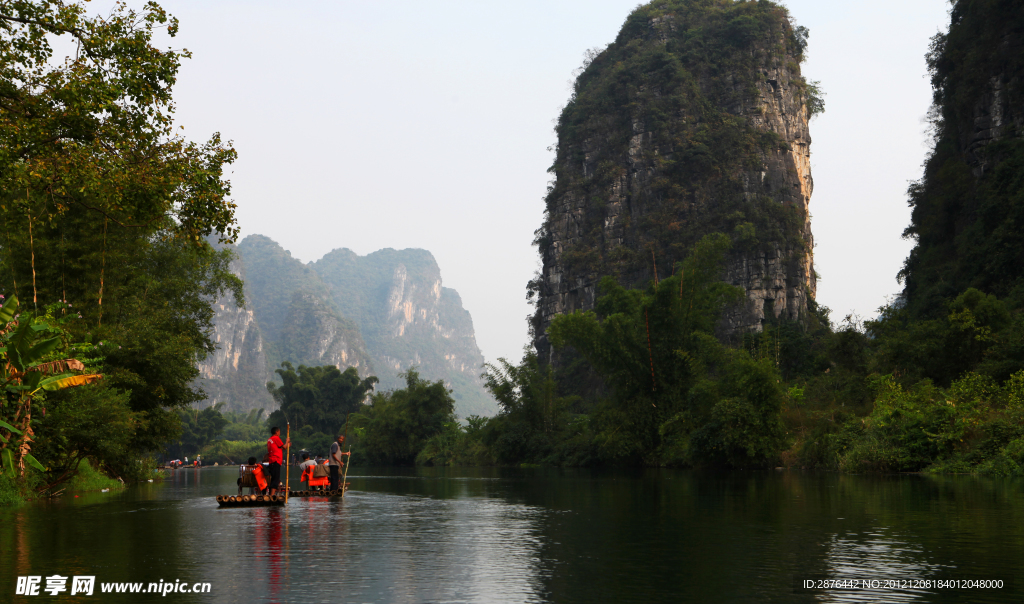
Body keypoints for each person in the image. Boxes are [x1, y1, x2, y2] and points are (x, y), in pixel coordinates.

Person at [266, 426, 291, 496]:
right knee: (275, 479)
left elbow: (279, 448)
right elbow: (284, 447)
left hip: (272, 461)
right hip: (276, 460)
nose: (279, 433)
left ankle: (271, 494)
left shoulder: (270, 439)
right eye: (279, 432)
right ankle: (271, 495)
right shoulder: (276, 438)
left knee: (274, 478)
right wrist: (287, 442)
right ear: (276, 432)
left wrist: (287, 445)